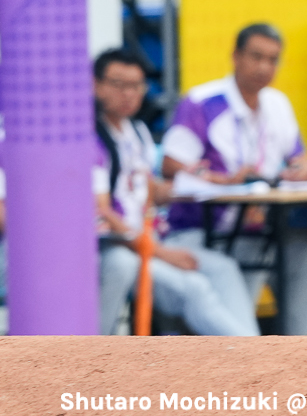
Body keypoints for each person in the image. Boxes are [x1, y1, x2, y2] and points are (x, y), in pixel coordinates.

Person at [159, 24, 307, 335]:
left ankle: (294, 353)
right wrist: (223, 180)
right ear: (236, 56)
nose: (265, 67)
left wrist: (303, 169)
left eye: (273, 59)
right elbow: (171, 166)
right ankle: (248, 353)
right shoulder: (202, 102)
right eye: (256, 57)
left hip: (259, 226)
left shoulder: (278, 104)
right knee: (252, 251)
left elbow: (302, 160)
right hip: (201, 229)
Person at [93, 47, 258, 336]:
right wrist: (160, 251)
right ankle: (253, 358)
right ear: (95, 85)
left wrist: (204, 183)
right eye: (119, 85)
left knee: (223, 269)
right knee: (195, 288)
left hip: (151, 242)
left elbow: (149, 191)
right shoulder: (90, 137)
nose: (129, 94)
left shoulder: (138, 132)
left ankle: (258, 348)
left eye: (136, 86)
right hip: (119, 248)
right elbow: (101, 212)